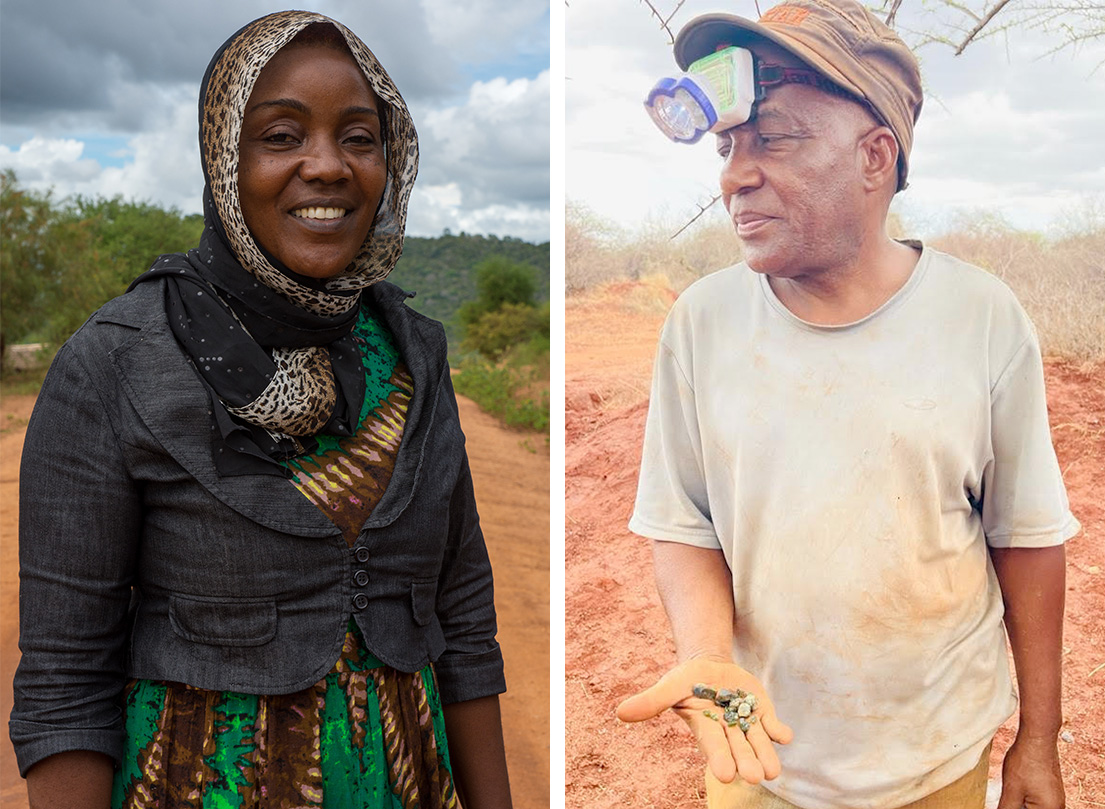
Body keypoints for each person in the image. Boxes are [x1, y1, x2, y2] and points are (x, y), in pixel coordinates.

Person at [10, 11, 513, 809]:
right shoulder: (115, 362)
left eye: (359, 136)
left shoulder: (415, 355)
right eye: (280, 136)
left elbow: (463, 626)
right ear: (223, 161)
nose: (328, 166)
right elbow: (66, 678)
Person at [616, 2, 1079, 808]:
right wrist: (708, 657)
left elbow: (1026, 539)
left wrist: (1036, 738)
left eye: (775, 139)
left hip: (937, 761)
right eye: (728, 145)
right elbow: (683, 520)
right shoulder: (702, 321)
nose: (733, 174)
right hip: (756, 758)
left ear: (874, 157)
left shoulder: (982, 317)